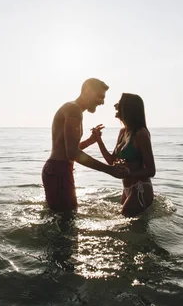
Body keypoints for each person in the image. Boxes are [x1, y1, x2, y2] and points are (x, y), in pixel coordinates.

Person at [42, 78, 129, 212]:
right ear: (88, 91)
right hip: (59, 171)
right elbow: (71, 153)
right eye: (100, 96)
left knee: (61, 217)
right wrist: (109, 170)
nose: (102, 102)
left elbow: (67, 149)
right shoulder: (74, 110)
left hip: (57, 169)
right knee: (67, 220)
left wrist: (90, 140)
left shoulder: (72, 108)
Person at [92, 93, 156, 217]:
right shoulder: (123, 132)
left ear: (129, 109)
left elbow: (151, 170)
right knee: (126, 226)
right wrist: (98, 140)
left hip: (140, 188)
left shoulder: (141, 134)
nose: (115, 106)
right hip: (127, 189)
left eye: (119, 104)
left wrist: (128, 173)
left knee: (130, 226)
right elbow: (111, 161)